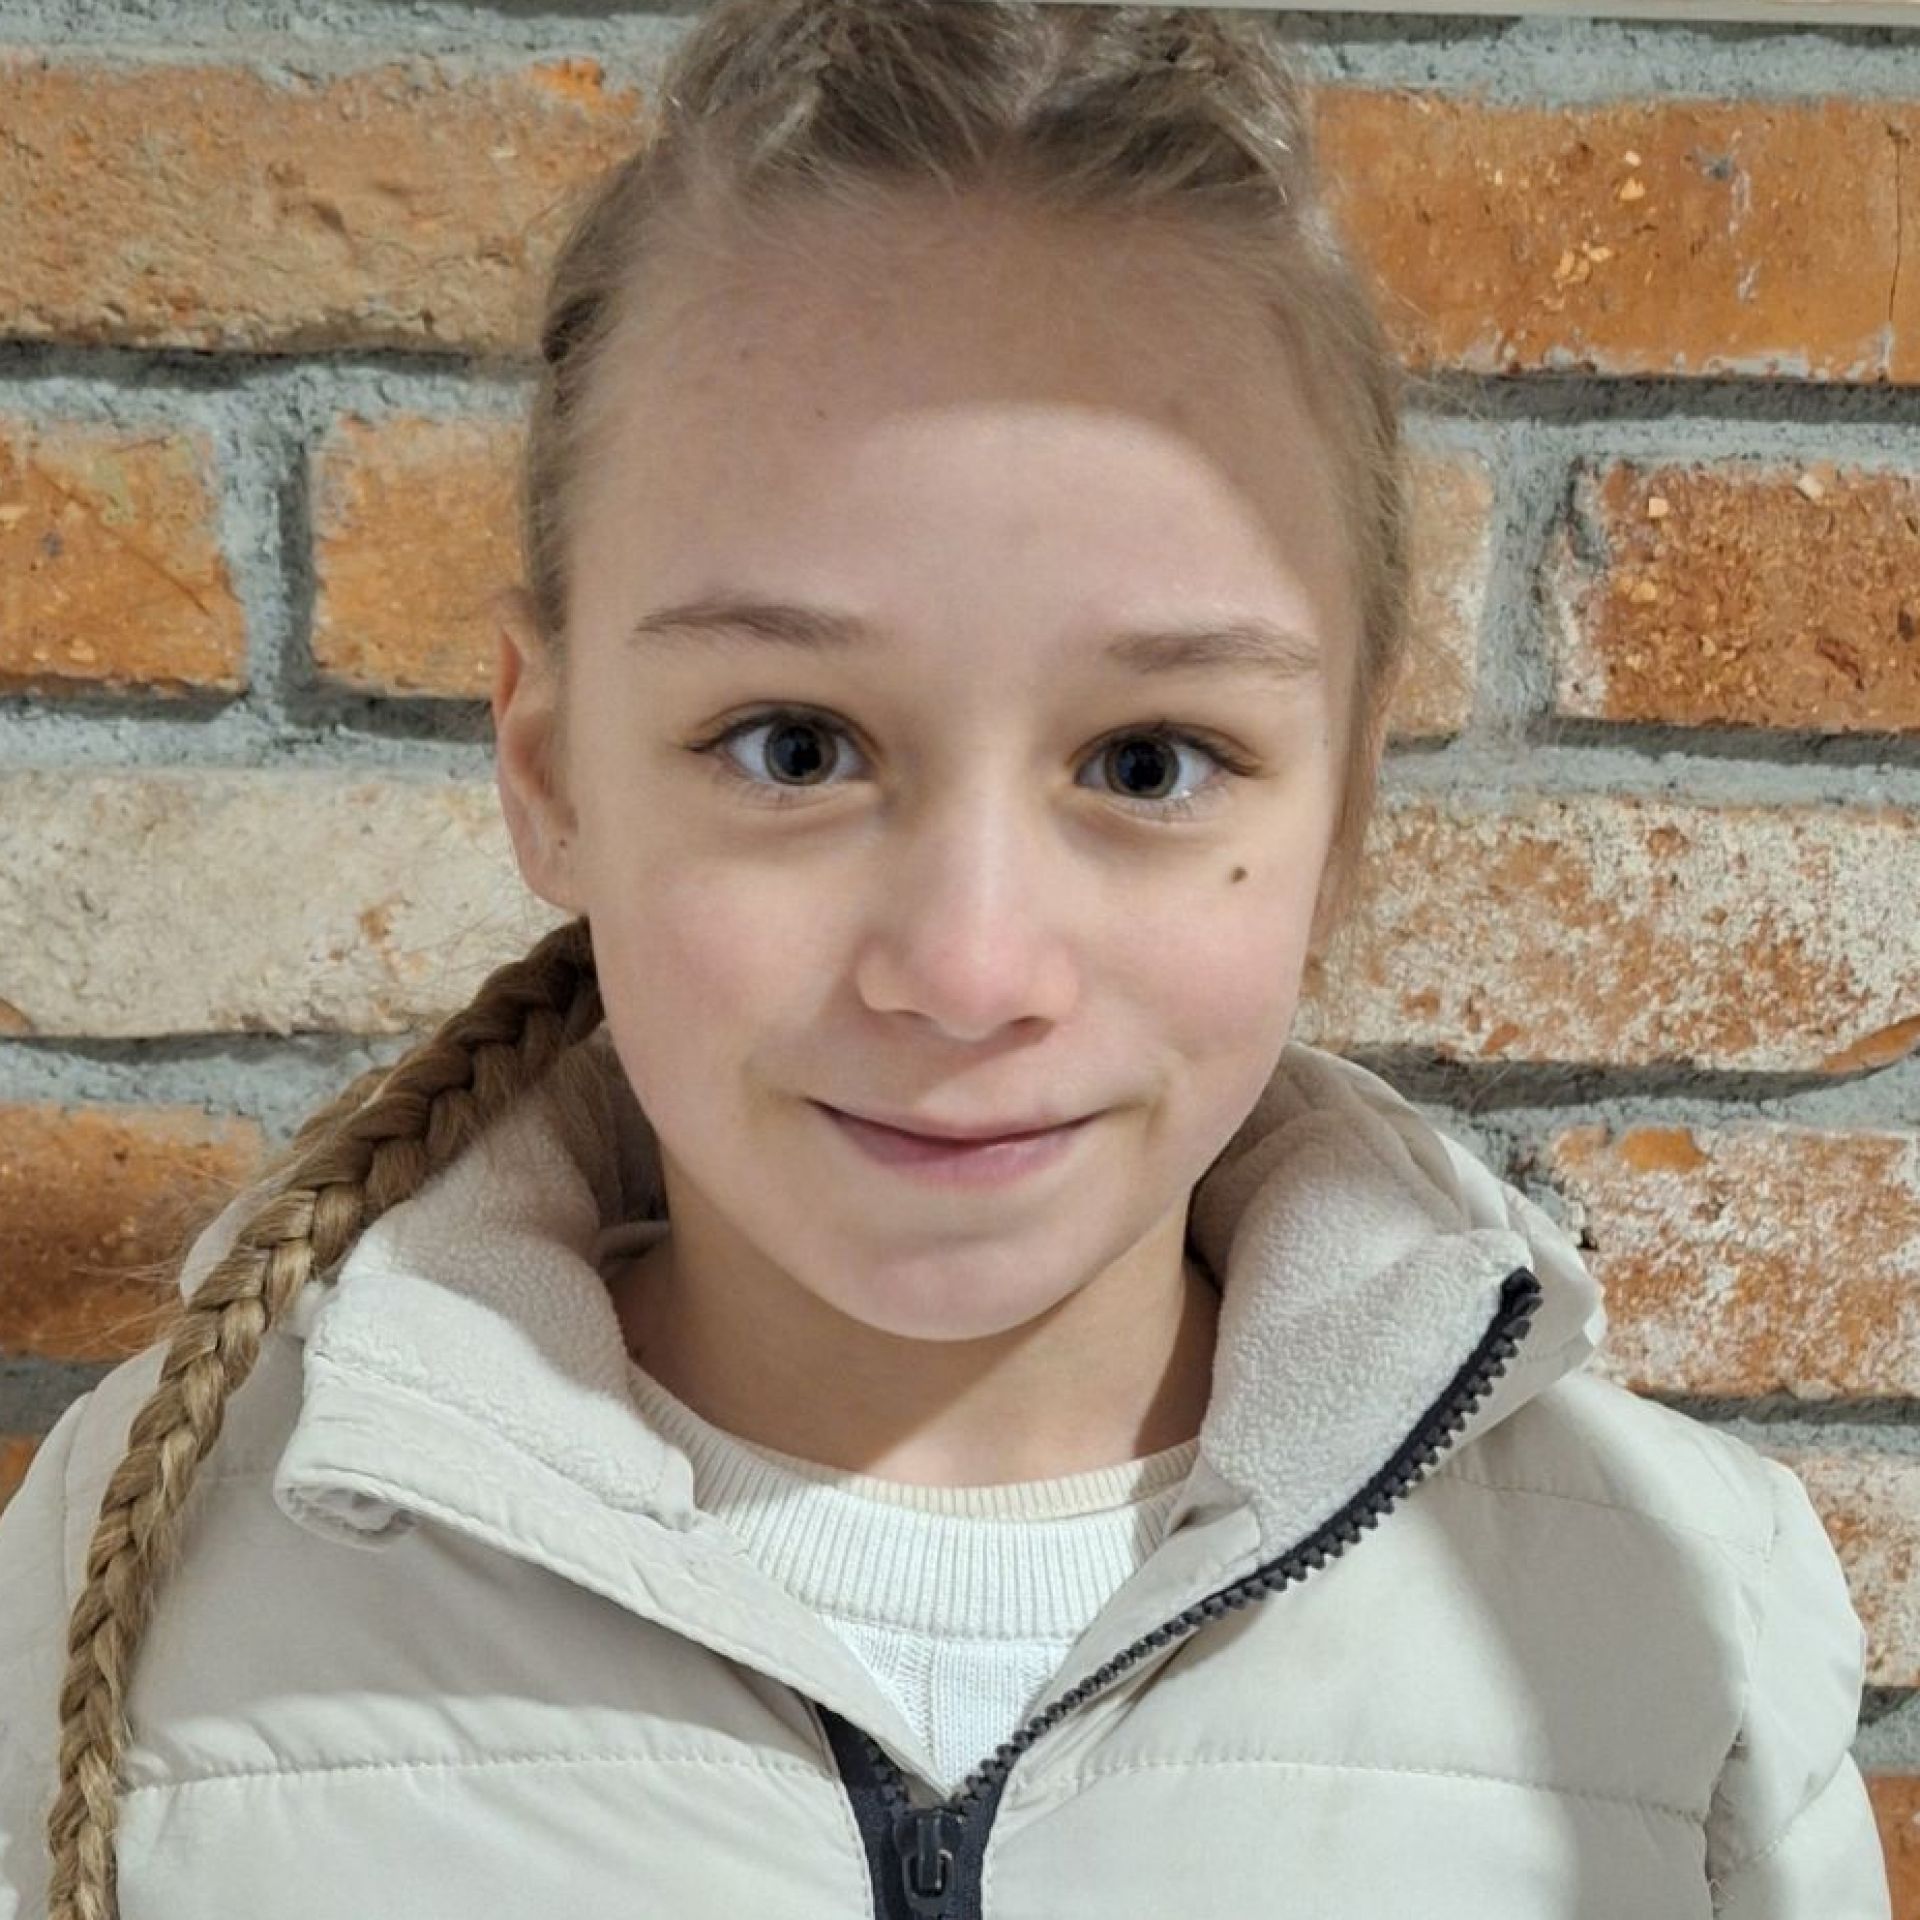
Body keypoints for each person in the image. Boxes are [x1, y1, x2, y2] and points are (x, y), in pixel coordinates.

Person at [0, 2, 1892, 1915]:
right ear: (548, 765)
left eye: (1149, 764)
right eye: (794, 748)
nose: (972, 971)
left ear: (1342, 807)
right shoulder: (146, 1575)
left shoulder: (1676, 1629)